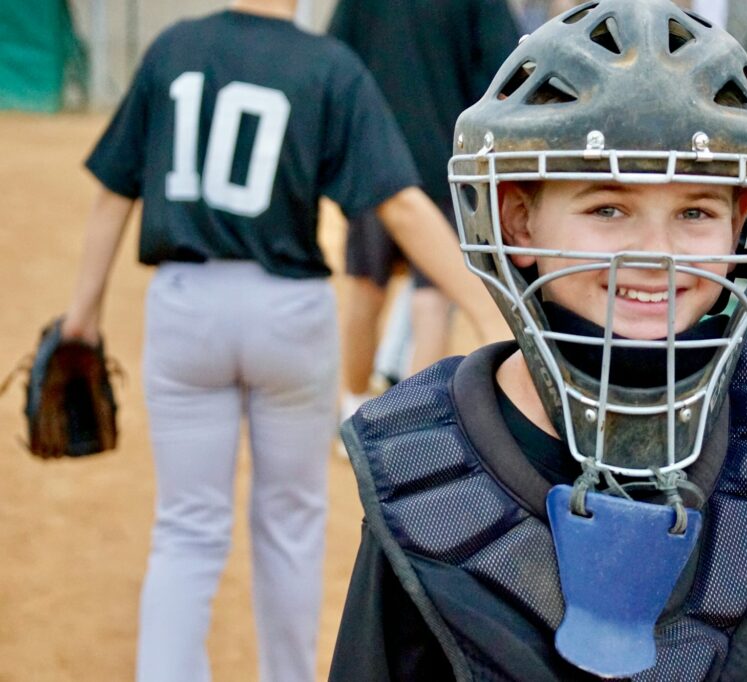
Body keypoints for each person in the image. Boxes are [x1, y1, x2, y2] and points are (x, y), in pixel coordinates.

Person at [329, 0, 747, 680]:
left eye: (695, 211)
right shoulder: (424, 468)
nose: (656, 253)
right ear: (518, 220)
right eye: (608, 207)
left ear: (741, 223)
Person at [60, 0, 504, 680]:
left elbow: (114, 192)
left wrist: (81, 318)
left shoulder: (175, 49)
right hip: (285, 312)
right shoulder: (327, 66)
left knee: (186, 529)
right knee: (290, 527)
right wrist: (488, 311)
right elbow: (403, 206)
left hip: (185, 303)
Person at [326, 0, 520, 418]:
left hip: (374, 161)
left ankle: (352, 411)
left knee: (367, 290)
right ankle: (415, 419)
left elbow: (338, 57)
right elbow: (506, 72)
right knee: (432, 298)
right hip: (448, 161)